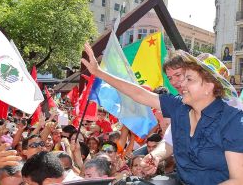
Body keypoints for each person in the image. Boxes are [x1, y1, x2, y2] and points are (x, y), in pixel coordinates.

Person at [81, 43, 243, 184]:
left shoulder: (233, 120)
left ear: (209, 86)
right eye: (181, 78)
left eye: (189, 79)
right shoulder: (179, 106)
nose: (180, 84)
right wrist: (99, 73)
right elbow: (138, 94)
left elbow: (238, 180)